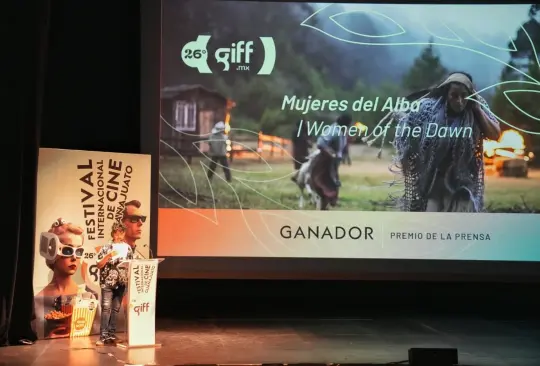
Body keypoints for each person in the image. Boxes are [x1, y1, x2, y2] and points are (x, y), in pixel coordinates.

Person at [390, 71, 501, 212]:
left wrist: (477, 109)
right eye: (454, 95)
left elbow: (495, 134)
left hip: (463, 182)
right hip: (433, 182)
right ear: (446, 94)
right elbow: (406, 129)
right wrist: (409, 164)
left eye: (464, 96)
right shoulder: (428, 110)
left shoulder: (475, 113)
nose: (459, 100)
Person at [35, 218, 98, 338]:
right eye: (68, 250)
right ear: (52, 251)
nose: (74, 257)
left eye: (79, 251)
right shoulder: (37, 301)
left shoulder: (88, 298)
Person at [95, 222, 133, 346]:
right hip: (107, 283)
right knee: (106, 308)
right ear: (113, 233)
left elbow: (131, 263)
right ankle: (103, 336)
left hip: (121, 282)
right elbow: (99, 264)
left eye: (121, 233)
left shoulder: (127, 248)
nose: (119, 235)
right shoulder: (107, 247)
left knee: (115, 309)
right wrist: (109, 256)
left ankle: (111, 334)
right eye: (117, 232)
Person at [310, 114, 353, 209]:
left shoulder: (342, 131)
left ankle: (325, 206)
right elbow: (320, 143)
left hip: (333, 163)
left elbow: (343, 146)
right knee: (325, 184)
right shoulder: (333, 131)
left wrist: (345, 156)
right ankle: (323, 206)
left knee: (333, 183)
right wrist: (331, 153)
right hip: (325, 162)